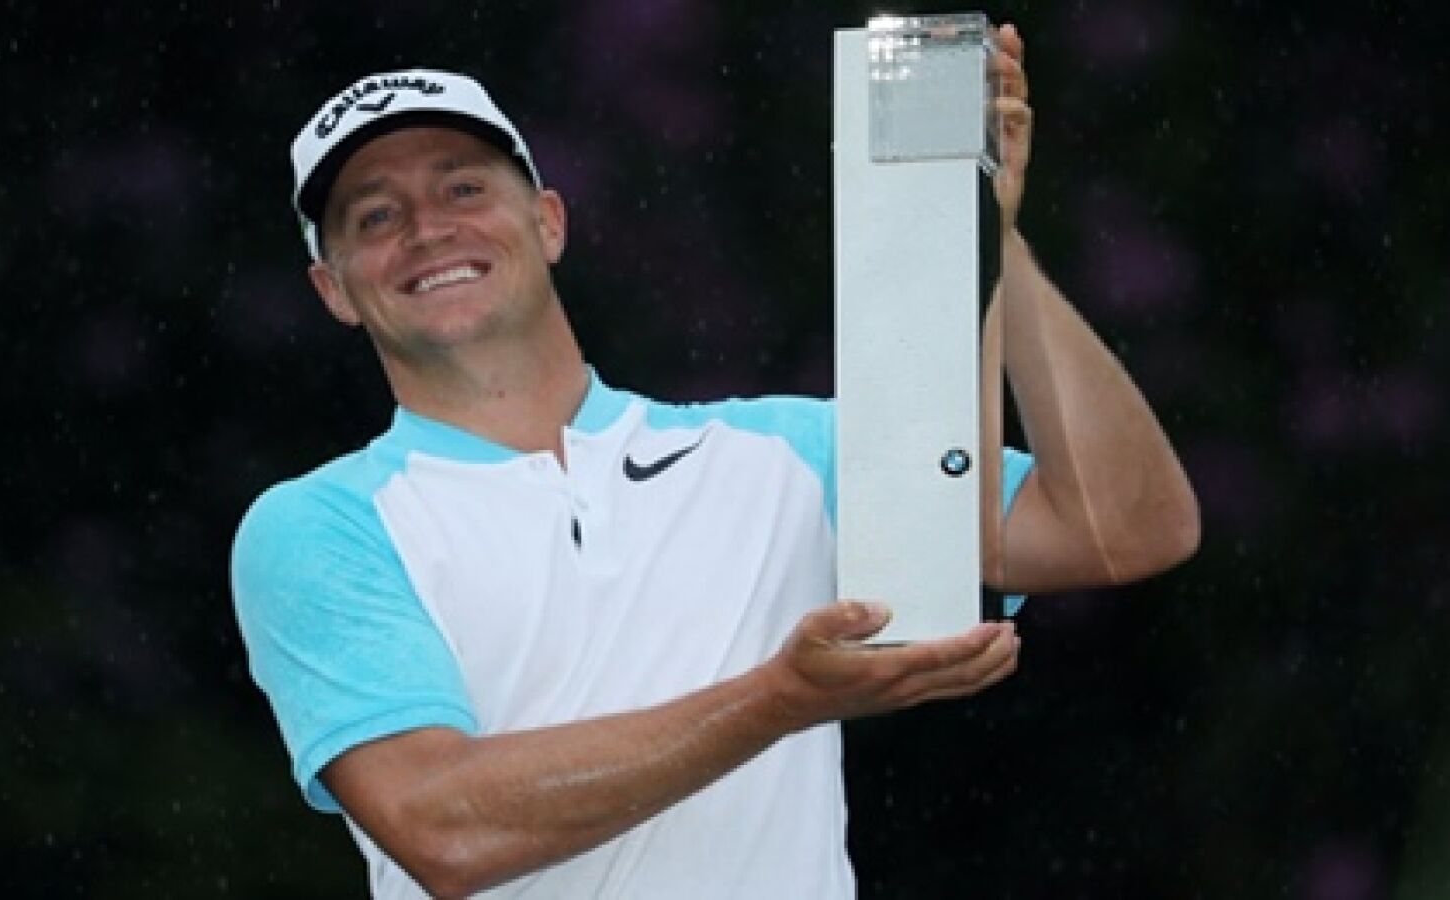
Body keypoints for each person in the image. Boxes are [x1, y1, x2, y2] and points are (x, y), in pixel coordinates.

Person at [231, 25, 1199, 899]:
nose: (428, 229)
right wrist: (777, 700)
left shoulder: (787, 453)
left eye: (463, 188)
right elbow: (444, 828)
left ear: (549, 222)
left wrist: (988, 233)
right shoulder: (320, 525)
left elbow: (1121, 531)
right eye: (375, 217)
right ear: (334, 289)